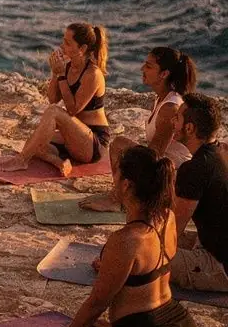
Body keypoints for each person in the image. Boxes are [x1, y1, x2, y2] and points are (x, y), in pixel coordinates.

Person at [21, 144, 228, 327]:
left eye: (115, 175)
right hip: (180, 322)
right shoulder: (168, 218)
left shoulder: (126, 241)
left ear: (127, 185)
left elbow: (97, 303)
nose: (113, 181)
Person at [81, 46, 196, 213]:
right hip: (165, 169)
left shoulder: (170, 108)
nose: (142, 69)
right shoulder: (162, 99)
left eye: (149, 66)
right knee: (120, 145)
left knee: (120, 145)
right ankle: (120, 197)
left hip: (174, 180)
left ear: (164, 74)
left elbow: (154, 157)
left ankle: (119, 200)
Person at [0, 22, 110, 176]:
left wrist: (61, 75)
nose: (62, 45)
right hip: (75, 135)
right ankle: (60, 162)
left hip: (93, 143)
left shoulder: (93, 74)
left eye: (67, 42)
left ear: (82, 49)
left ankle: (21, 161)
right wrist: (55, 73)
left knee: (53, 113)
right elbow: (53, 99)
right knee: (33, 143)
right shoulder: (67, 67)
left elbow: (72, 109)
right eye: (63, 40)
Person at [170, 94, 228, 293]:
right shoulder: (222, 152)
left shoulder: (195, 168)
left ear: (189, 128)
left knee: (141, 255)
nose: (172, 122)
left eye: (177, 118)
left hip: (219, 266)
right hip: (213, 243)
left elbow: (173, 231)